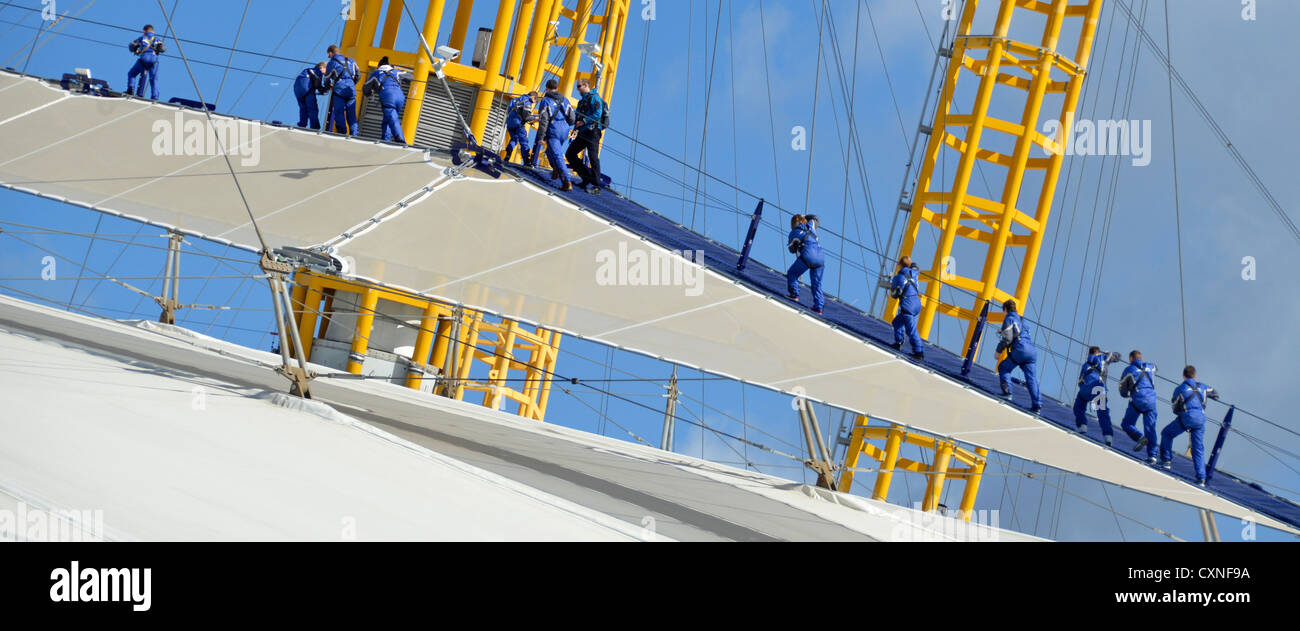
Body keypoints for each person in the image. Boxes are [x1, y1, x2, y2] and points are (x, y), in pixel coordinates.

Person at [1159, 365, 1219, 485]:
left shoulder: (1180, 389)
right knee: (1198, 449)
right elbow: (1216, 394)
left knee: (1166, 433)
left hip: (1187, 417)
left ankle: (1166, 461)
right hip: (1200, 419)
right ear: (1195, 375)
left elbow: (1175, 408)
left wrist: (1181, 412)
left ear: (1183, 376)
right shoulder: (1203, 386)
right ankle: (1201, 478)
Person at [996, 299, 1042, 413]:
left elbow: (1008, 339)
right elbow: (1019, 331)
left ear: (1005, 309)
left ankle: (1007, 393)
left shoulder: (1009, 318)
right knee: (1031, 379)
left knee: (1003, 368)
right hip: (1031, 351)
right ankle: (1037, 405)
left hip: (1020, 349)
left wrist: (998, 351)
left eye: (1003, 312)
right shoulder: (1023, 320)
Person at [1073, 346, 1121, 444]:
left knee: (1079, 405)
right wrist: (1108, 353)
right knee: (1102, 412)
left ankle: (1082, 425)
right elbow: (1118, 356)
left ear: (1089, 354)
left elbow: (1080, 382)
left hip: (1086, 388)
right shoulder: (1103, 358)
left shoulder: (1085, 365)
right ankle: (1108, 436)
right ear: (1098, 353)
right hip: (1099, 387)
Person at [1118, 350, 1160, 463]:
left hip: (1138, 400)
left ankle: (1140, 437)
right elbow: (1156, 367)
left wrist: (1125, 395)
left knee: (1126, 424)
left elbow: (1122, 387)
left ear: (1131, 359)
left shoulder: (1128, 370)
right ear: (1141, 358)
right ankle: (1153, 456)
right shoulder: (1150, 367)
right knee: (1150, 428)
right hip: (1151, 401)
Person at [534, 79, 576, 191]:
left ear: (546, 88)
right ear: (557, 88)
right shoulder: (564, 100)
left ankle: (567, 182)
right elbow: (572, 118)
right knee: (549, 151)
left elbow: (544, 121)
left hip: (554, 130)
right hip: (565, 129)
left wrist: (541, 137)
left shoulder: (545, 101)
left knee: (557, 155)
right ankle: (556, 169)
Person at [566, 78, 605, 192]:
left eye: (579, 86)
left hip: (593, 132)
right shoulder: (581, 101)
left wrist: (584, 121)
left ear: (586, 85)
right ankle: (587, 177)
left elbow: (598, 114)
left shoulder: (594, 98)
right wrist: (575, 127)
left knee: (593, 158)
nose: (577, 89)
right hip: (583, 132)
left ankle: (597, 186)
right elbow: (577, 116)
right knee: (570, 154)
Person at [785, 214, 825, 314]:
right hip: (820, 257)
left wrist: (796, 246)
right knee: (817, 284)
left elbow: (791, 250)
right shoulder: (811, 226)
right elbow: (815, 218)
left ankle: (795, 294)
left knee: (792, 273)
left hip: (808, 255)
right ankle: (818, 307)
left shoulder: (794, 232)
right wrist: (805, 217)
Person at [364, 57, 406, 143]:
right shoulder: (396, 71)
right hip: (400, 97)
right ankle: (385, 140)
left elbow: (365, 88)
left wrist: (371, 91)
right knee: (387, 120)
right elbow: (410, 77)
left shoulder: (377, 73)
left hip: (388, 97)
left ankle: (400, 138)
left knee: (392, 118)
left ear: (379, 65)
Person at [888, 256, 923, 360]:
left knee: (911, 329)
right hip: (917, 303)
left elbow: (894, 294)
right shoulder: (915, 273)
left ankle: (919, 352)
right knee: (897, 322)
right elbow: (916, 267)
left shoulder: (898, 277)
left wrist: (894, 290)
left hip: (908, 305)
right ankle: (898, 342)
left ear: (900, 265)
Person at [325, 45, 360, 136]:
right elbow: (358, 75)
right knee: (351, 114)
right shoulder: (352, 61)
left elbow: (327, 78)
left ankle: (342, 132)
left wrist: (327, 86)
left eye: (328, 55)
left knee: (339, 111)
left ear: (330, 53)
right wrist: (352, 83)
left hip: (339, 90)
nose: (329, 57)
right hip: (351, 90)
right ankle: (354, 134)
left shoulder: (332, 63)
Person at [126, 25, 164, 100]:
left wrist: (136, 50)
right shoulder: (157, 39)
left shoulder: (142, 38)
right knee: (154, 79)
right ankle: (155, 97)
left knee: (132, 74)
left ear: (144, 31)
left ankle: (131, 89)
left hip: (143, 60)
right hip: (154, 61)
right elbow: (163, 49)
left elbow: (131, 46)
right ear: (153, 31)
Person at [504, 91, 540, 163]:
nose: (533, 103)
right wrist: (537, 118)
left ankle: (507, 155)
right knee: (524, 140)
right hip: (518, 124)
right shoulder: (527, 101)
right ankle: (526, 161)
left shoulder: (515, 99)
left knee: (514, 138)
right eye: (534, 101)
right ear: (533, 97)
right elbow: (526, 117)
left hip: (509, 123)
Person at [293, 62, 330, 129]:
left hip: (297, 89)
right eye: (327, 69)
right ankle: (315, 127)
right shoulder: (318, 71)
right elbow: (317, 83)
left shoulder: (307, 70)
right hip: (307, 88)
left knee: (303, 108)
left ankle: (302, 125)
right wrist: (324, 89)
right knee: (312, 109)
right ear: (322, 67)